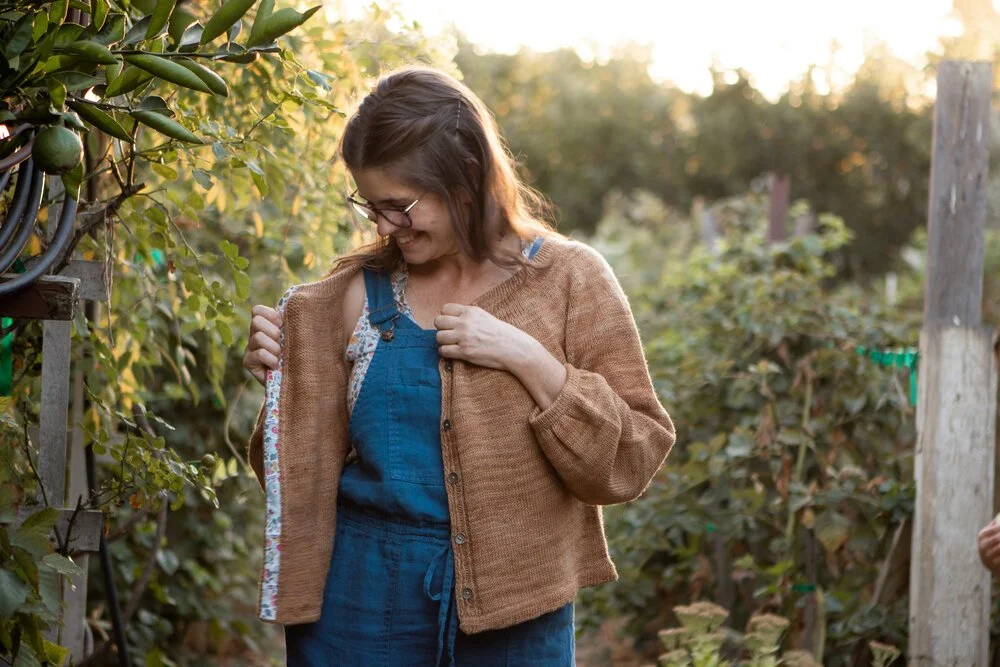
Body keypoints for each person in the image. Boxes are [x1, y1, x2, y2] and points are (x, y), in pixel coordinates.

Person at [241, 66, 676, 666]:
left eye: (399, 206)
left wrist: (529, 359)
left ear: (466, 176)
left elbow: (630, 460)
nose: (383, 226)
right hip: (358, 610)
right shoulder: (348, 298)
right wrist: (281, 389)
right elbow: (290, 479)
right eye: (370, 206)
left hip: (519, 614)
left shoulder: (570, 282)